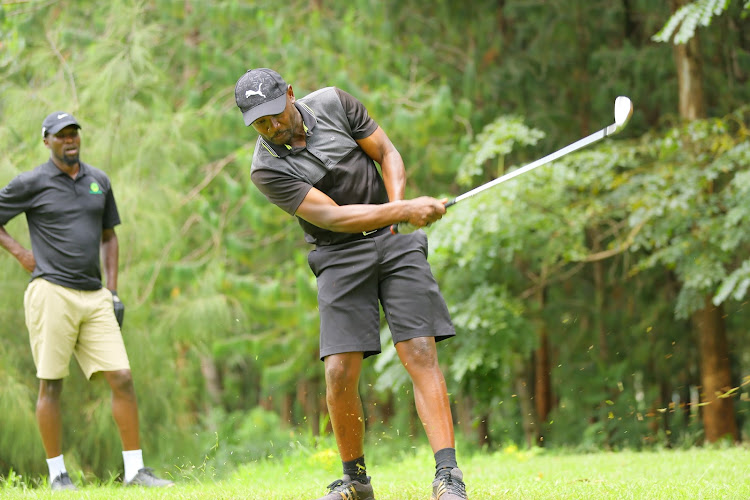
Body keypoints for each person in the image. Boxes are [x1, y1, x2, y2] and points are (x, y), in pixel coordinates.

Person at [234, 68, 468, 500]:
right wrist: (403, 211)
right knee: (340, 371)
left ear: (289, 93)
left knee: (419, 351)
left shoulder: (333, 103)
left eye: (274, 114)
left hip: (393, 241)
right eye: (260, 123)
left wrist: (398, 207)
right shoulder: (266, 168)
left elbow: (387, 153)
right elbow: (334, 218)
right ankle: (355, 481)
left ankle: (447, 476)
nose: (272, 127)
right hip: (338, 255)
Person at [0, 112, 174, 491]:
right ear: (46, 141)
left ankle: (135, 472)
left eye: (73, 133)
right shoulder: (32, 182)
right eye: (61, 135)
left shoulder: (99, 181)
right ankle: (58, 475)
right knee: (52, 383)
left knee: (122, 378)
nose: (69, 140)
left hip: (94, 295)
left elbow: (109, 236)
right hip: (52, 292)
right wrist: (22, 255)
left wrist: (112, 289)